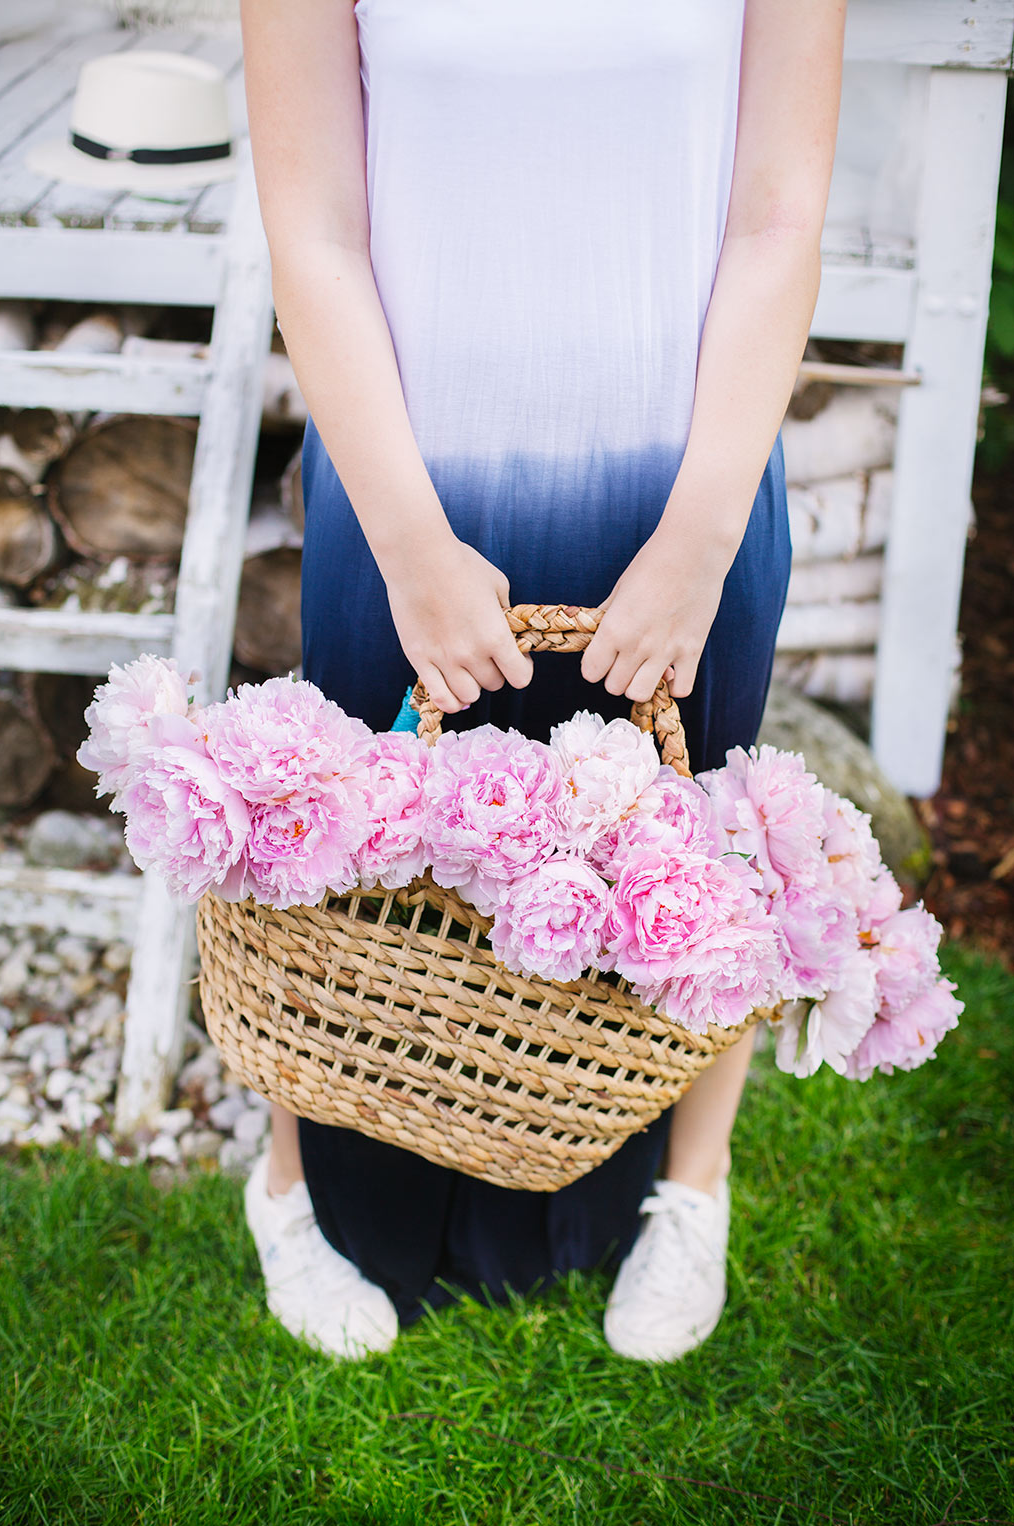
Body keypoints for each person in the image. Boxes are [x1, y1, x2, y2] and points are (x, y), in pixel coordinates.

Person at [238, 0, 846, 1362]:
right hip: (404, 482)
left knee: (690, 851)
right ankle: (296, 1189)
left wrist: (699, 539)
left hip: (682, 488)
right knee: (343, 850)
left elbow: (777, 214)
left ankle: (686, 1188)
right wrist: (406, 539)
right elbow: (315, 228)